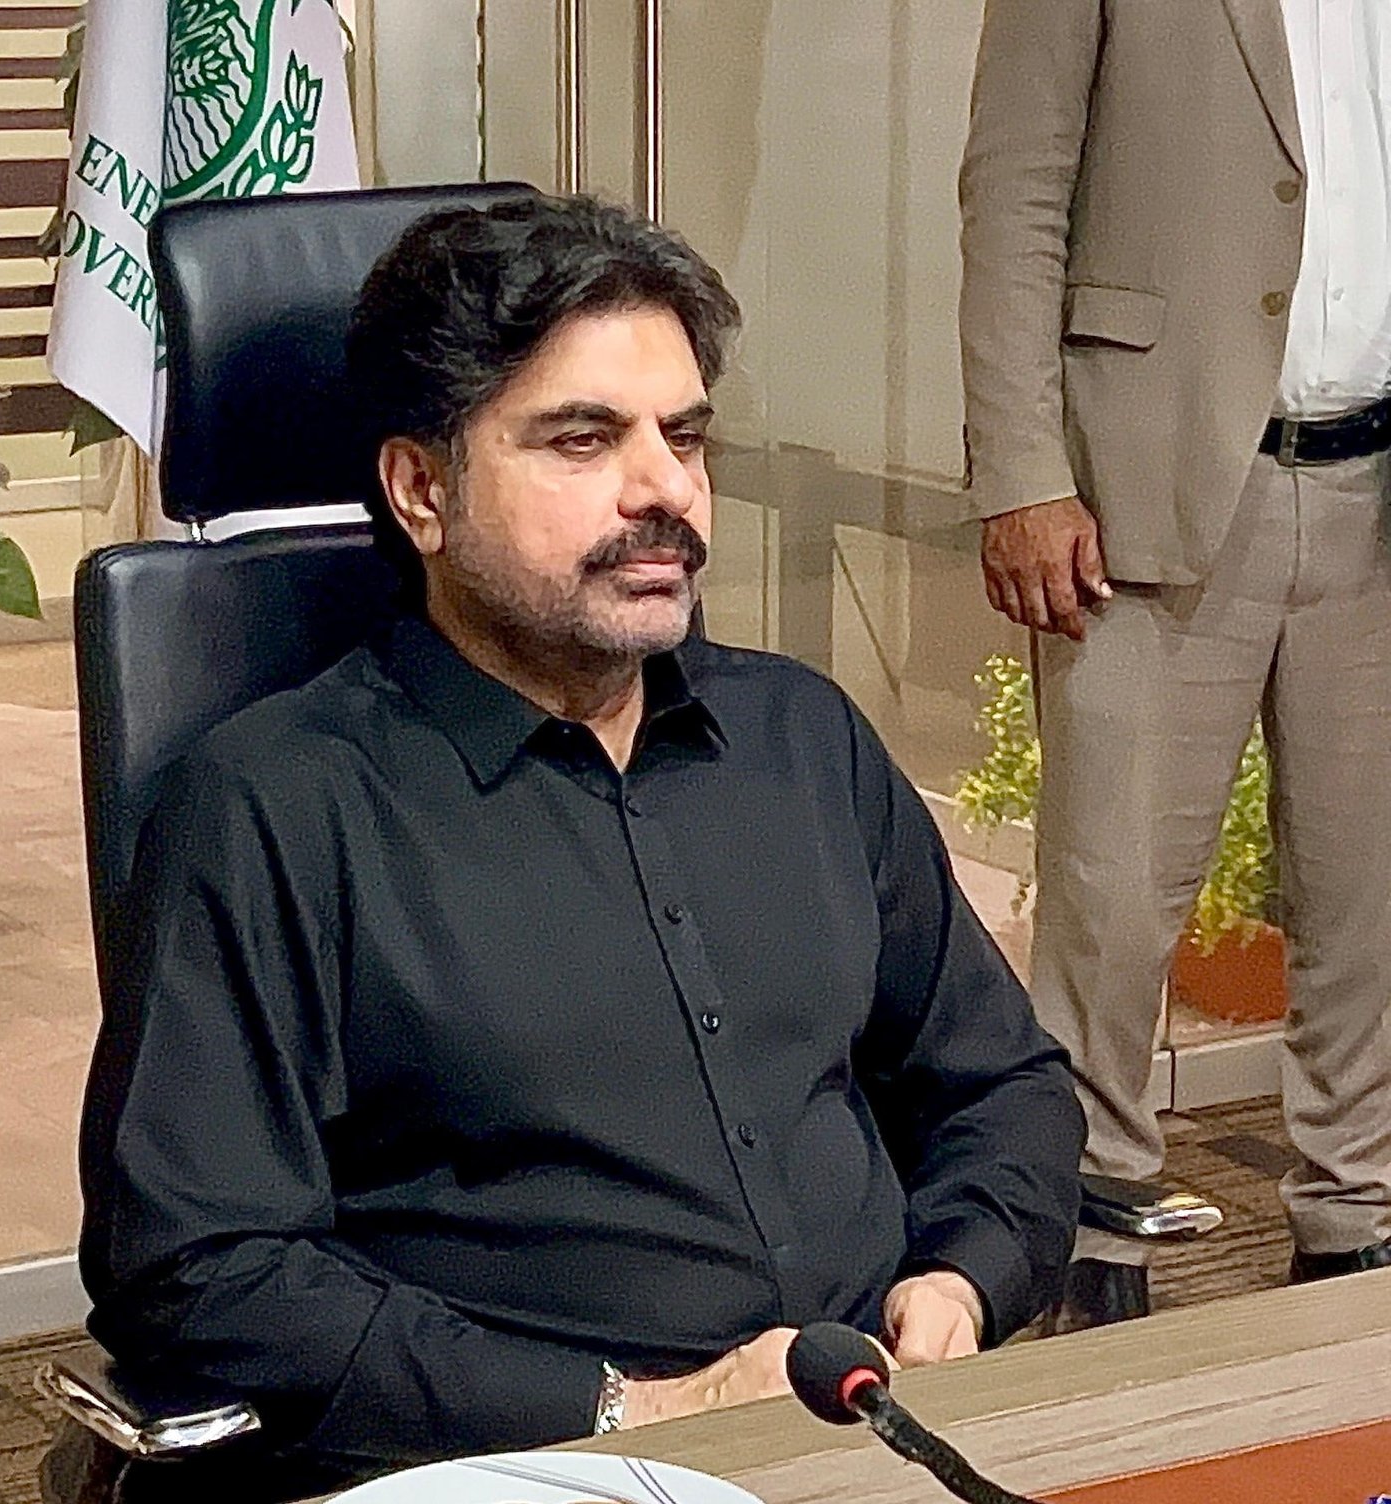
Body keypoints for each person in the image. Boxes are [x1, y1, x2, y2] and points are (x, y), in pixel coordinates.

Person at [79, 194, 1083, 1492]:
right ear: (423, 490)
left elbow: (1001, 1082)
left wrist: (961, 1279)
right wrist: (623, 1410)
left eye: (684, 436)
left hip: (885, 1430)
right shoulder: (274, 806)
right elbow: (197, 1266)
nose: (666, 488)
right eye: (584, 439)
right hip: (538, 1470)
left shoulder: (803, 739)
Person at [960, 0, 1391, 1329]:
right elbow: (1014, 196)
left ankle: (1356, 1216)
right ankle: (1089, 1225)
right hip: (1144, 480)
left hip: (1377, 489)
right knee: (1110, 901)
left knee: (1370, 904)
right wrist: (1021, 472)